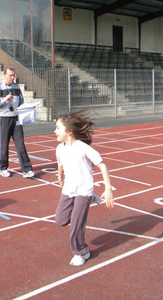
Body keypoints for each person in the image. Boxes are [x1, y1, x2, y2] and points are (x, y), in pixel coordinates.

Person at [54, 110, 114, 266]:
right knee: (60, 220)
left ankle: (82, 252)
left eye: (58, 128)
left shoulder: (83, 148)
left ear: (69, 131)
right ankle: (91, 198)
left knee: (76, 224)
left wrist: (108, 189)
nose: (55, 132)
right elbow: (60, 165)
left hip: (83, 190)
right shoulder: (60, 148)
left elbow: (102, 165)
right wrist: (60, 179)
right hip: (68, 189)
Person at [0, 67, 34, 178]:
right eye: (10, 75)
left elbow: (21, 101)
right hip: (3, 118)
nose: (12, 78)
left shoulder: (16, 87)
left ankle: (26, 169)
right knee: (4, 145)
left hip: (16, 118)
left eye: (13, 75)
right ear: (4, 75)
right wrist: (4, 100)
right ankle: (3, 168)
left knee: (20, 144)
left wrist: (27, 109)